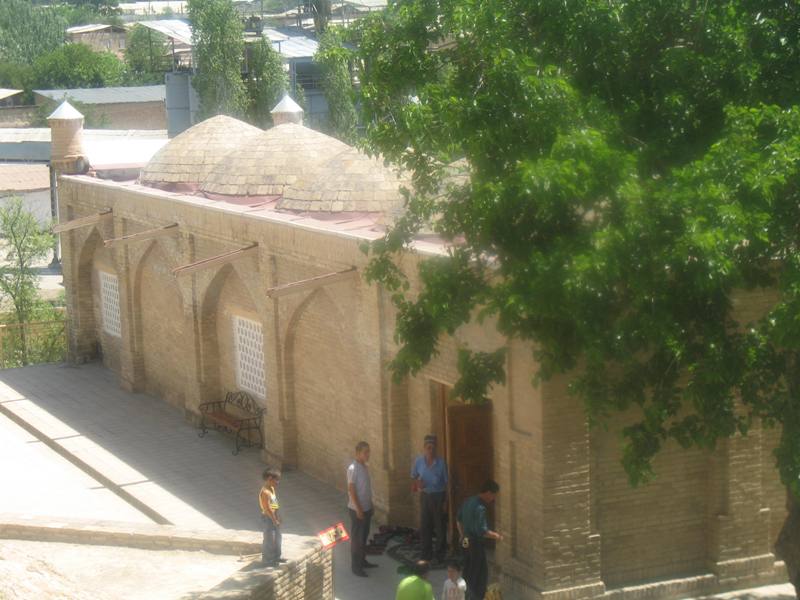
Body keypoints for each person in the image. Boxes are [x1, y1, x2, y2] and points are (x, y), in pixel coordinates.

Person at [456, 480, 502, 600]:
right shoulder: (480, 507)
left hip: (465, 541)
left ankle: (464, 596)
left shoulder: (468, 501)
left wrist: (461, 535)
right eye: (494, 495)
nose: (493, 499)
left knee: (467, 569)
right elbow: (483, 531)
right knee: (479, 574)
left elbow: (458, 520)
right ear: (488, 492)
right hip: (474, 543)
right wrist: (497, 536)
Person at [411, 434, 449, 563]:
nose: (430, 450)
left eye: (432, 448)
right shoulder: (419, 461)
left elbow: (446, 483)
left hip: (438, 496)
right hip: (425, 496)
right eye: (428, 447)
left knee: (440, 527)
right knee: (425, 525)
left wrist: (445, 502)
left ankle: (439, 554)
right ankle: (425, 553)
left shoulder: (441, 463)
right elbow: (413, 477)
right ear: (424, 448)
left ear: (436, 449)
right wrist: (417, 483)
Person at [347, 440, 377, 577]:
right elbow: (352, 490)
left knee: (364, 537)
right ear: (358, 453)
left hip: (366, 508)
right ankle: (356, 567)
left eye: (369, 451)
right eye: (366, 452)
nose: (368, 454)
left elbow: (366, 488)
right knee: (357, 539)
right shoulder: (353, 469)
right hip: (357, 510)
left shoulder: (364, 466)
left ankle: (362, 561)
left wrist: (370, 505)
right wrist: (359, 509)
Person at [258, 468, 285, 567]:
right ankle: (267, 559)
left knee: (278, 537)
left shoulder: (271, 489)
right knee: (269, 538)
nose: (278, 482)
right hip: (268, 518)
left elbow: (274, 504)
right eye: (276, 480)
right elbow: (267, 509)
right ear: (269, 478)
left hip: (274, 517)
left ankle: (276, 556)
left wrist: (278, 516)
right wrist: (274, 520)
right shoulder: (265, 492)